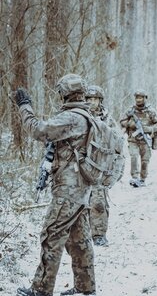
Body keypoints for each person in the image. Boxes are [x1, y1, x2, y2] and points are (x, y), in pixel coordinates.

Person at [14, 74, 96, 296]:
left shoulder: (72, 117)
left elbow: (39, 130)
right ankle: (85, 288)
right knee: (79, 240)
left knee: (51, 235)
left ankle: (40, 289)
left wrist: (24, 107)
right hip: (81, 189)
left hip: (69, 190)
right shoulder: (87, 114)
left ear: (64, 93)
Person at [85, 85, 120, 247]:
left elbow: (118, 147)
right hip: (79, 167)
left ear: (100, 101)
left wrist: (116, 172)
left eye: (95, 99)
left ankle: (98, 234)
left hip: (100, 168)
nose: (92, 102)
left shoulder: (108, 120)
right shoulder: (79, 117)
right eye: (89, 99)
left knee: (98, 203)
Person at [120, 89, 157, 187]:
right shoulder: (131, 110)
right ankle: (134, 177)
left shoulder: (151, 111)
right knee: (134, 157)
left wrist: (149, 128)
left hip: (146, 140)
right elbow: (122, 121)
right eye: (137, 98)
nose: (138, 100)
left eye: (141, 98)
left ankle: (142, 179)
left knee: (145, 160)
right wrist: (130, 124)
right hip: (133, 140)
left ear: (145, 98)